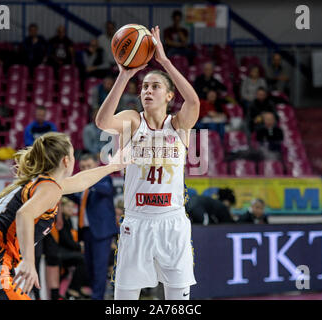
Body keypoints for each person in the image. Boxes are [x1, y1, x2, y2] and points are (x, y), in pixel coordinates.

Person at [0, 132, 128, 300]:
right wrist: (29, 262)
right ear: (66, 161)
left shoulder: (40, 183)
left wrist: (112, 167)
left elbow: (79, 181)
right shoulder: (49, 187)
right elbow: (24, 214)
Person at [95, 26, 200, 300]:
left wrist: (164, 61)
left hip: (172, 222)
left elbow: (193, 101)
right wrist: (123, 75)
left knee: (178, 298)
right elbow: (103, 122)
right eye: (144, 86)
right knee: (124, 299)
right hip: (136, 221)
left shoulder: (178, 125)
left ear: (168, 96)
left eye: (155, 86)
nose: (148, 91)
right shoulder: (132, 120)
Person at [67, 153, 118, 300]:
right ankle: (97, 295)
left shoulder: (104, 178)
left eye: (89, 166)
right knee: (89, 268)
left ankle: (98, 297)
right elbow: (77, 198)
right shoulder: (84, 184)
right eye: (82, 167)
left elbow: (107, 190)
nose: (85, 169)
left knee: (99, 268)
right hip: (86, 231)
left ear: (96, 165)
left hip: (101, 232)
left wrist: (89, 178)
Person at [57, 197, 91, 300]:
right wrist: (79, 246)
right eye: (69, 207)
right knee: (82, 258)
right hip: (59, 251)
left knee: (86, 257)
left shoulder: (69, 220)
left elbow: (70, 240)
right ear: (61, 207)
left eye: (73, 207)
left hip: (67, 250)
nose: (72, 209)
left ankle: (80, 288)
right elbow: (65, 240)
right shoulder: (60, 219)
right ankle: (73, 289)